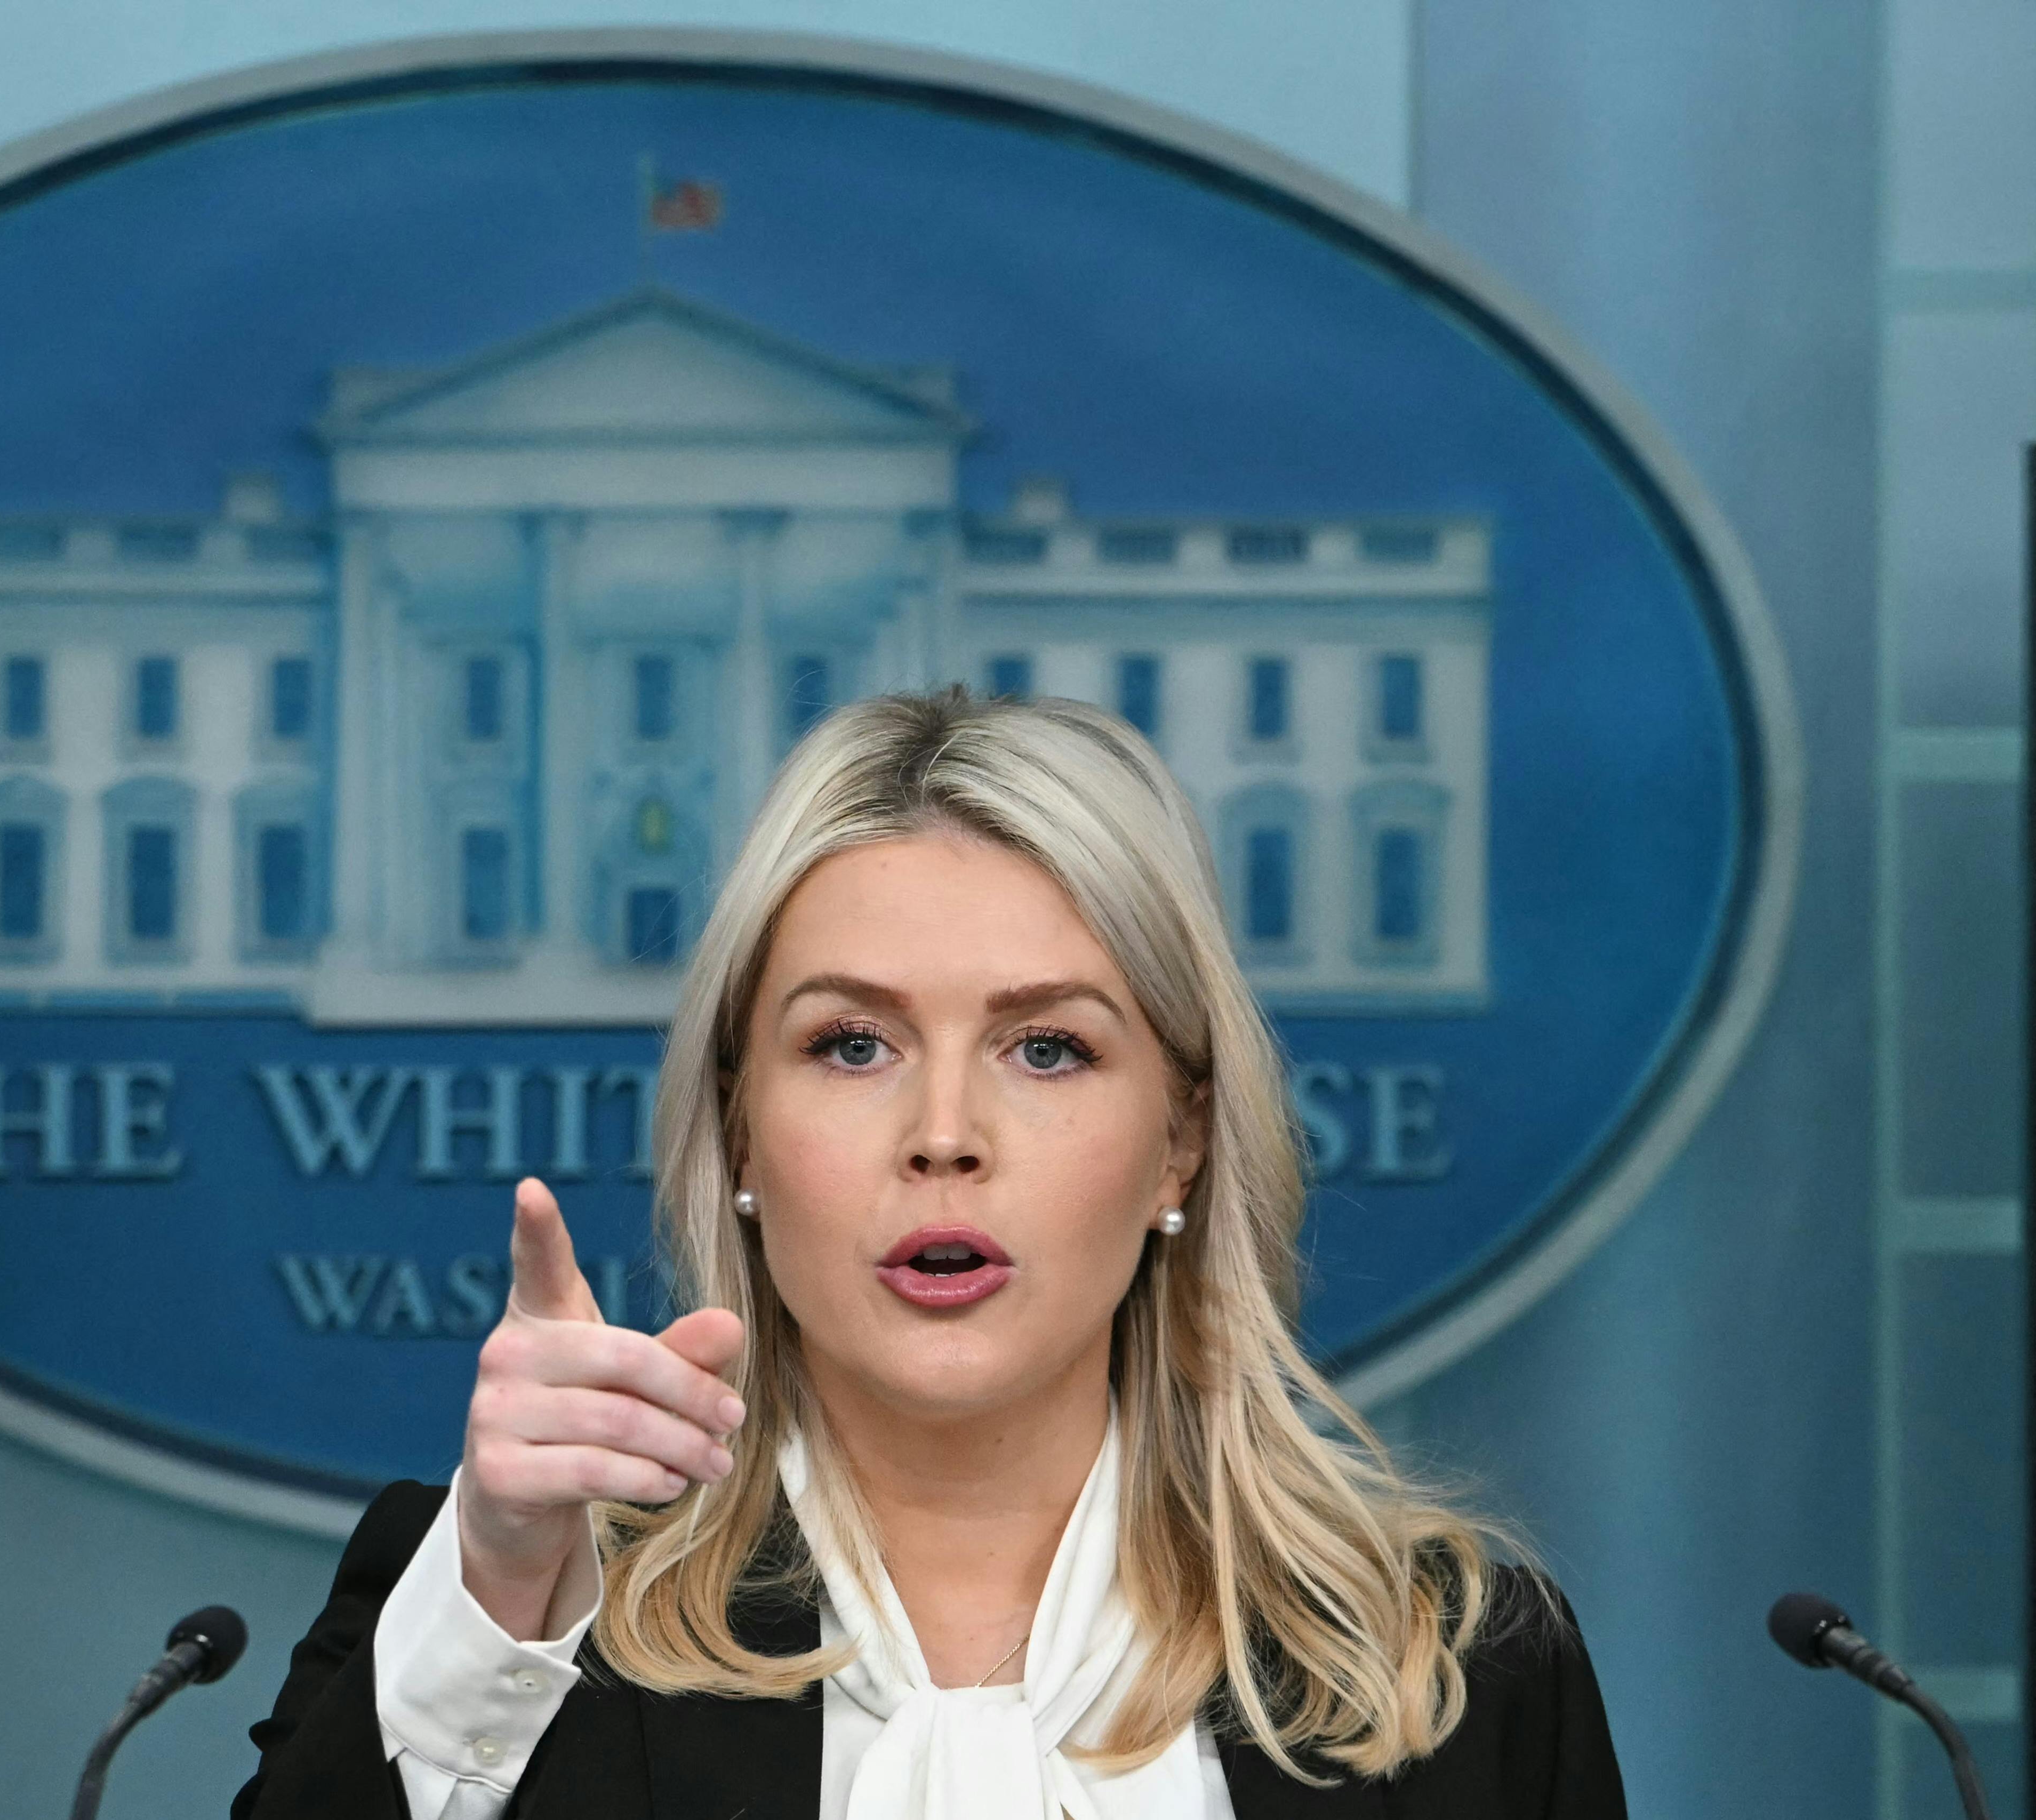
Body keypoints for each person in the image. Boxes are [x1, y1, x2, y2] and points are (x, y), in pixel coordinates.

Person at [234, 686, 1625, 1819]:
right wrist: (496, 1602)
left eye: (1046, 1049)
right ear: (742, 1133)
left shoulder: (1457, 1660)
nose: (945, 1133)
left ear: (1181, 1144)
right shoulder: (504, 1603)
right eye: (852, 1045)